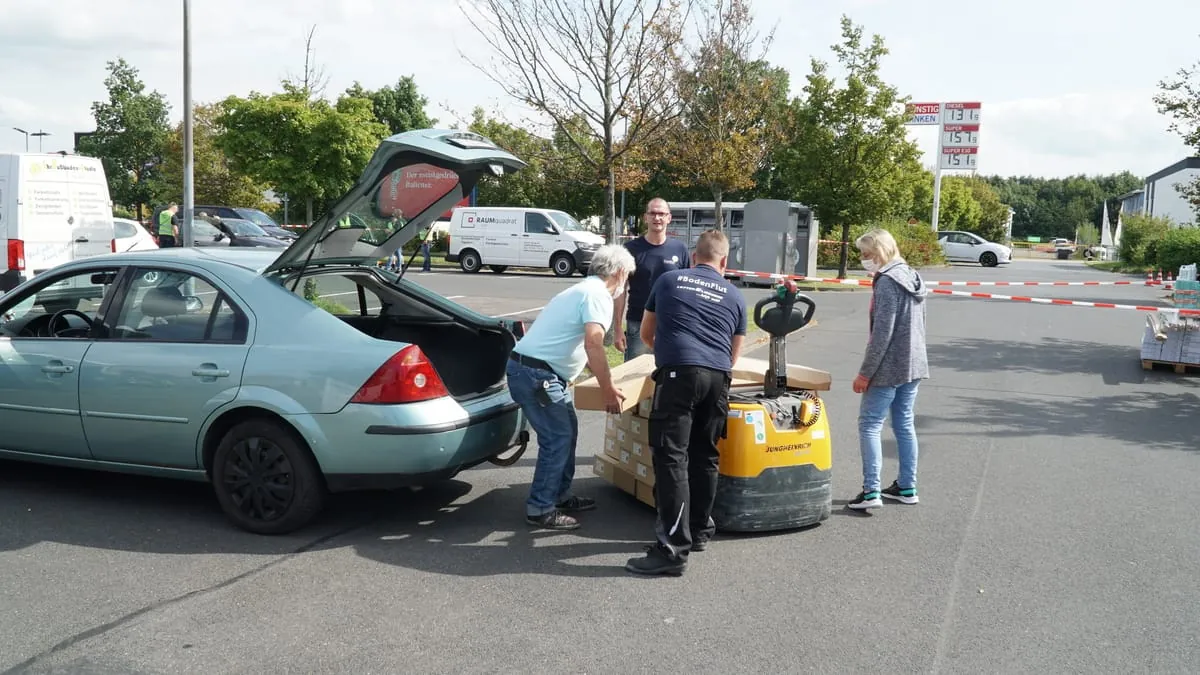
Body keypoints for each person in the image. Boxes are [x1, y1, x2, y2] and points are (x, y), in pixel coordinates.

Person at [624, 229, 747, 576]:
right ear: (725, 261)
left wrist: (672, 352)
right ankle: (699, 529)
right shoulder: (735, 295)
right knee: (705, 454)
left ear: (694, 256)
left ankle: (672, 550)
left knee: (671, 457)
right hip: (718, 379)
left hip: (679, 375)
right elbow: (733, 353)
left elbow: (647, 332)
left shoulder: (669, 280)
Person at [506, 244, 635, 530]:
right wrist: (608, 388)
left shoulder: (581, 289)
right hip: (537, 375)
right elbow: (593, 342)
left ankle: (559, 495)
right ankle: (541, 508)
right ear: (620, 272)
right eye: (628, 278)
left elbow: (569, 341)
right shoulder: (598, 295)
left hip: (534, 371)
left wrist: (594, 373)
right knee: (557, 439)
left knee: (567, 431)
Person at [848, 228, 929, 510]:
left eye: (867, 254)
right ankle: (907, 486)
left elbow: (882, 334)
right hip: (914, 363)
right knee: (904, 424)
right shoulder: (913, 276)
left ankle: (871, 491)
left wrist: (864, 374)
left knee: (869, 424)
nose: (863, 259)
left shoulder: (887, 282)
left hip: (889, 366)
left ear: (880, 252)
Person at [613, 198, 691, 361]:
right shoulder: (630, 250)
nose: (657, 218)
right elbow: (620, 291)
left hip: (670, 324)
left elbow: (687, 290)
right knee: (633, 377)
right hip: (637, 324)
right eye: (653, 213)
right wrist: (618, 328)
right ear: (645, 217)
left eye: (661, 214)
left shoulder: (680, 249)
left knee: (668, 377)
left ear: (669, 218)